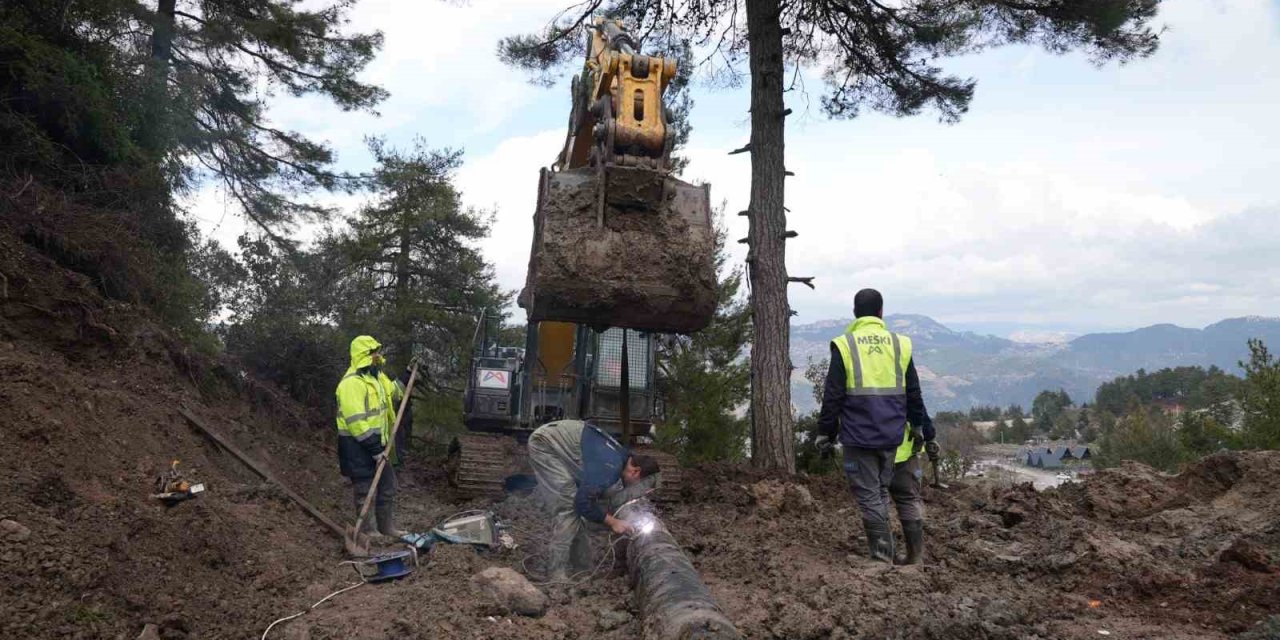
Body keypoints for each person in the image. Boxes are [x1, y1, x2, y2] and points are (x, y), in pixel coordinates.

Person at [816, 289, 937, 565]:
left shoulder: (845, 345)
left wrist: (826, 433)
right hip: (896, 438)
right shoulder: (899, 344)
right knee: (898, 494)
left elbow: (832, 395)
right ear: (881, 312)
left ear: (855, 313)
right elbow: (914, 394)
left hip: (860, 437)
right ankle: (913, 558)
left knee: (871, 496)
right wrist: (922, 429)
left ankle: (882, 559)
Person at [527, 419, 661, 581]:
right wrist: (613, 522)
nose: (636, 490)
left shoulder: (621, 459)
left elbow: (596, 498)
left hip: (562, 441)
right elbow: (582, 503)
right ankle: (556, 574)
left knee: (579, 504)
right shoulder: (610, 466)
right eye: (639, 485)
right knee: (568, 507)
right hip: (545, 444)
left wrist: (608, 517)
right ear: (636, 472)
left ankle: (582, 568)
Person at [335, 335, 406, 540]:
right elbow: (356, 422)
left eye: (378, 352)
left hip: (378, 444)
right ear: (363, 356)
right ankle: (369, 532)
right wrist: (374, 450)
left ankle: (387, 528)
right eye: (373, 353)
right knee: (365, 490)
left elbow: (395, 392)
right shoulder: (351, 384)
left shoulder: (377, 377)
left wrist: (409, 374)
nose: (378, 356)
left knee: (388, 485)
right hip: (357, 446)